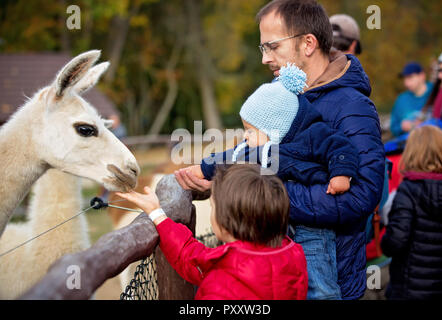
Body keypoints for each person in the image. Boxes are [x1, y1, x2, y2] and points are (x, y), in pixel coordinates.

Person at [176, 0, 385, 300]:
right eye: (263, 48)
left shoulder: (352, 107)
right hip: (280, 276)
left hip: (328, 282)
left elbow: (362, 195)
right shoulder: (288, 97)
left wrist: (271, 197)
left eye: (272, 46)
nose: (265, 59)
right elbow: (261, 149)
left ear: (308, 43)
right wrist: (211, 169)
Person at [197, 63, 360, 299]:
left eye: (250, 130)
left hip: (313, 230)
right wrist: (204, 167)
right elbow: (232, 156)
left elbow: (341, 147)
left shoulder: (313, 136)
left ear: (275, 131)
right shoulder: (260, 150)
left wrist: (340, 174)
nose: (245, 136)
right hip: (282, 227)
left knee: (319, 285)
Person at [116, 164, 309, 300]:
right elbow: (191, 256)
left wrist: (157, 215)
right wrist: (158, 215)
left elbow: (198, 262)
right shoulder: (293, 254)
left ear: (225, 222)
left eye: (212, 206)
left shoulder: (220, 283)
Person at [381, 125, 442, 300]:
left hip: (410, 287)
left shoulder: (408, 191)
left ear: (411, 152)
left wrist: (384, 242)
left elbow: (396, 241)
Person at [390, 62, 433, 137]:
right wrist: (402, 127)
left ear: (422, 76)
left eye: (410, 77)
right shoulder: (401, 99)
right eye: (405, 78)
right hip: (407, 143)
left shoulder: (436, 92)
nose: (406, 83)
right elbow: (393, 127)